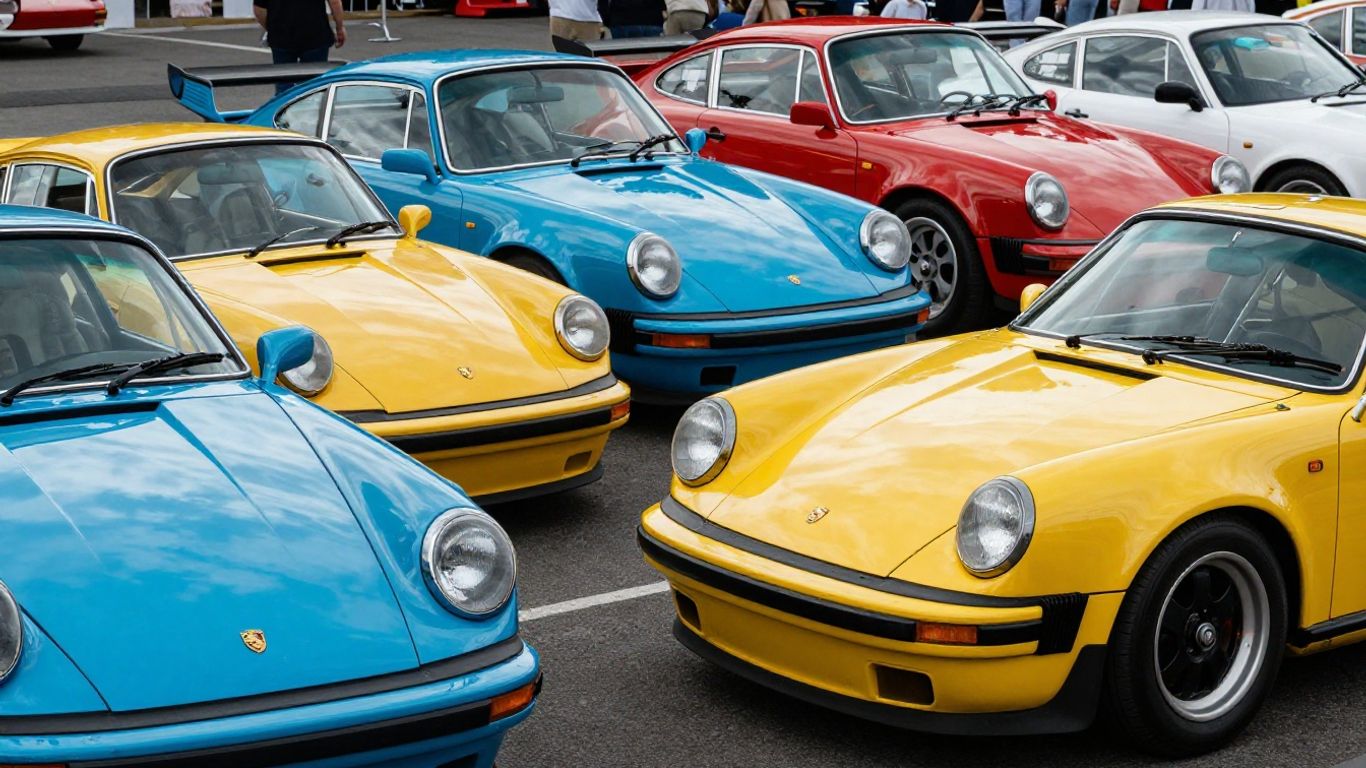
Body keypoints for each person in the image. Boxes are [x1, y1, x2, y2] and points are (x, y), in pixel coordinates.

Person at [253, 0, 345, 94]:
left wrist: (273, 28)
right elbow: (335, 2)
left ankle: (284, 105)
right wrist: (340, 28)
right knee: (313, 85)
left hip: (281, 36)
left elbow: (259, 10)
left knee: (283, 84)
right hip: (315, 34)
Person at [601, 0, 666, 37]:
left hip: (622, 21)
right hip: (653, 20)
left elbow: (603, 4)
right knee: (655, 58)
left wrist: (607, 20)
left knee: (624, 57)